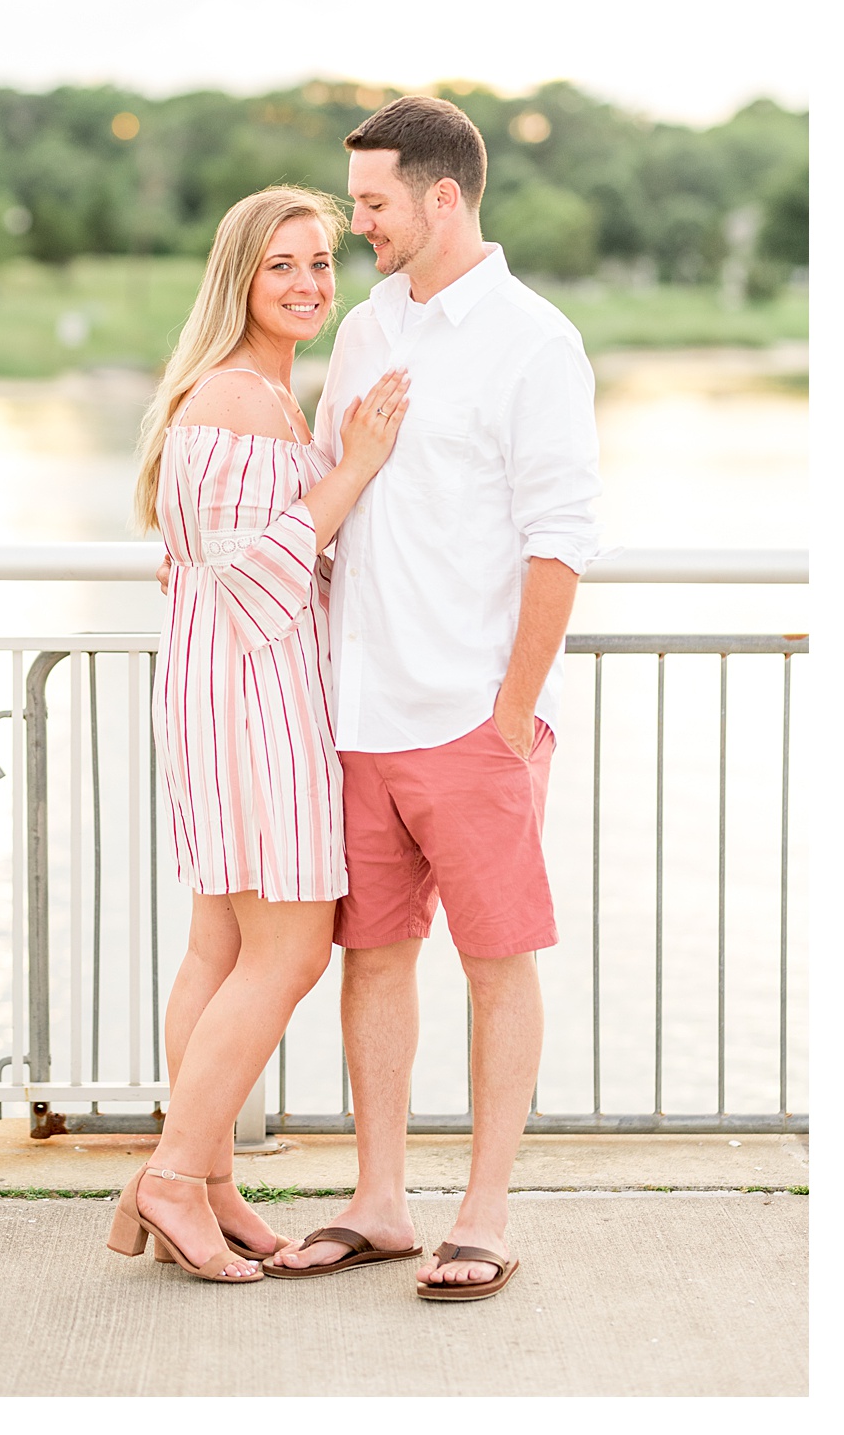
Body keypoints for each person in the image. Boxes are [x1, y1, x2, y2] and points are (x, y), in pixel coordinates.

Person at [265, 96, 599, 1300]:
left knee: (497, 961)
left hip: (470, 716)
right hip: (357, 716)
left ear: (441, 198)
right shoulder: (360, 331)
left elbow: (559, 540)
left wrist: (511, 713)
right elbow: (325, 489)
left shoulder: (532, 340)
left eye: (370, 204)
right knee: (373, 960)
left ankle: (486, 1212)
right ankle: (379, 1200)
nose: (356, 223)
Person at [110, 186, 409, 1283]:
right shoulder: (231, 401)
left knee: (220, 946)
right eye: (282, 264)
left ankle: (210, 1180)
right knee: (283, 948)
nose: (308, 284)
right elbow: (247, 579)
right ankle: (174, 1178)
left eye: (321, 262)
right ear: (237, 274)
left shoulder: (264, 397)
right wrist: (355, 468)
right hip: (248, 696)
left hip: (231, 688)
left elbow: (213, 556)